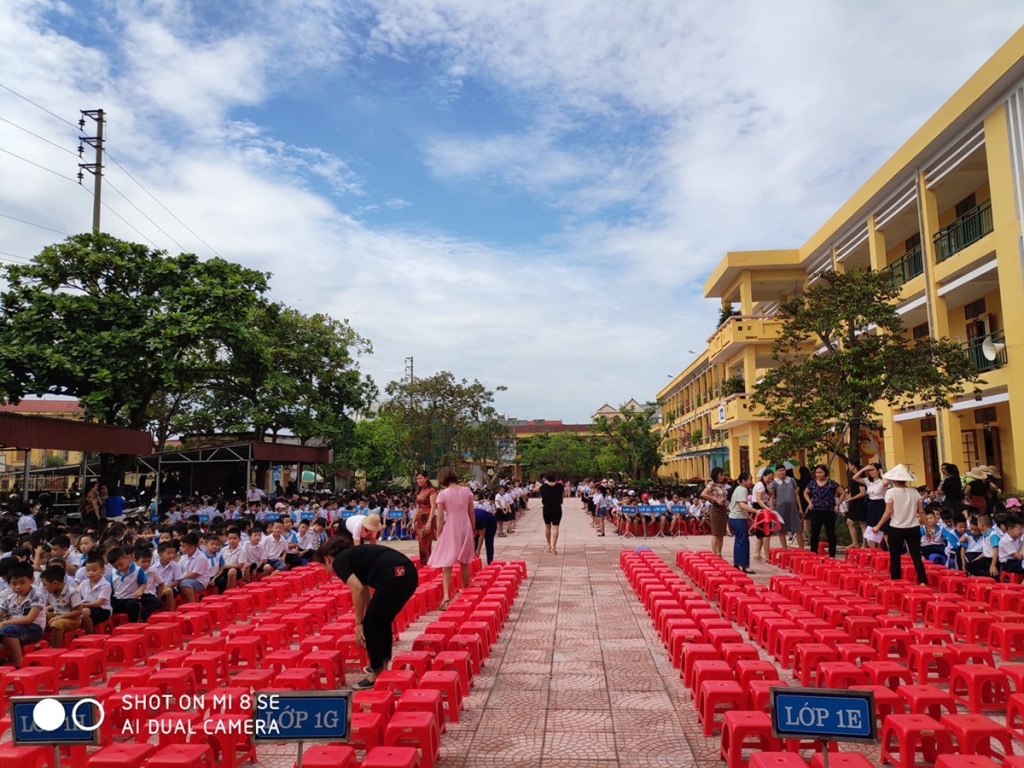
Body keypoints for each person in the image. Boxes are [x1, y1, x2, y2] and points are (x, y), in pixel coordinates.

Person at [320, 535, 418, 689]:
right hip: (408, 573)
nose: (327, 571)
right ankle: (382, 666)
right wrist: (365, 617)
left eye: (324, 566)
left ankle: (376, 673)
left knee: (371, 625)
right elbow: (365, 590)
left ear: (327, 559)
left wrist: (359, 623)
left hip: (395, 577)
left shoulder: (339, 561)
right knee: (380, 621)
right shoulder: (355, 556)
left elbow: (357, 590)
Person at [428, 467, 476, 609]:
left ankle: (446, 597)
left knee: (447, 562)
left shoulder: (442, 494)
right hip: (465, 523)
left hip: (451, 525)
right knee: (465, 560)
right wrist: (472, 527)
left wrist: (439, 534)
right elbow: (471, 512)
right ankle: (465, 591)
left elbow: (440, 517)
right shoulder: (467, 491)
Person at [873, 464, 927, 584]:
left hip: (896, 527)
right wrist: (928, 528)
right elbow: (921, 512)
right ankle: (923, 580)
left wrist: (878, 525)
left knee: (895, 555)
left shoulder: (890, 492)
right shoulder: (915, 492)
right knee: (916, 555)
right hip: (913, 527)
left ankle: (895, 579)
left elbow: (888, 512)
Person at [0, 561, 46, 666]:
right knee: (6, 629)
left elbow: (29, 619)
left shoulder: (36, 595)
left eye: (22, 582)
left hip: (34, 629)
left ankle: (19, 663)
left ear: (32, 580)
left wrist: (5, 623)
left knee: (7, 630)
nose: (18, 587)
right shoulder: (10, 597)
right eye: (14, 584)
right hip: (15, 627)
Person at [803, 465, 845, 558]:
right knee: (815, 532)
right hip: (816, 510)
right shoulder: (812, 483)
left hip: (829, 510)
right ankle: (813, 552)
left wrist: (837, 504)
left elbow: (842, 493)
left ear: (825, 473)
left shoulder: (831, 483)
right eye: (817, 472)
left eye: (821, 472)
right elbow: (805, 493)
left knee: (830, 532)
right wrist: (809, 503)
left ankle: (832, 554)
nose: (819, 474)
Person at [852, 463, 887, 548]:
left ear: (878, 471)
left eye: (873, 470)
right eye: (870, 470)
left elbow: (885, 483)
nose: (871, 472)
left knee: (883, 529)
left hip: (881, 504)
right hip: (871, 504)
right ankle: (873, 550)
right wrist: (864, 469)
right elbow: (854, 477)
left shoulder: (882, 480)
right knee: (871, 528)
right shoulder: (868, 481)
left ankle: (882, 548)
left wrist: (882, 474)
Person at [728, 473, 756, 573]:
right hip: (738, 519)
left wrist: (748, 517)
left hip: (735, 518)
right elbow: (742, 505)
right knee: (743, 542)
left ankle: (737, 563)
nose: (751, 482)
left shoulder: (738, 489)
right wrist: (755, 511)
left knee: (739, 541)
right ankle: (745, 565)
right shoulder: (743, 490)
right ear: (744, 481)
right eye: (749, 480)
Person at [700, 468, 730, 558]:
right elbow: (703, 494)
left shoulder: (722, 485)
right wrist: (715, 499)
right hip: (715, 509)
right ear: (717, 475)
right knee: (716, 532)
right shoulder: (711, 484)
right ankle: (714, 553)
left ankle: (719, 553)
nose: (723, 476)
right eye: (721, 475)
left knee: (721, 533)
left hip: (723, 509)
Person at [772, 465, 802, 550]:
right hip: (780, 509)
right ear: (776, 472)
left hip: (792, 508)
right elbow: (772, 497)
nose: (781, 472)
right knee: (782, 530)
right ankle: (785, 549)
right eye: (779, 471)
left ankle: (801, 549)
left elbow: (796, 495)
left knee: (798, 528)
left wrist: (799, 507)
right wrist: (772, 510)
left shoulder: (791, 480)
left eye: (783, 470)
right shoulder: (774, 483)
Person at [536, 470, 564, 554]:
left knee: (547, 526)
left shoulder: (543, 486)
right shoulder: (560, 486)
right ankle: (553, 546)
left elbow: (535, 489)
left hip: (546, 508)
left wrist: (543, 483)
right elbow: (563, 496)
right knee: (556, 527)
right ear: (556, 477)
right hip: (556, 508)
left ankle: (548, 544)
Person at [751, 469, 774, 563]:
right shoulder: (760, 485)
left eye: (772, 478)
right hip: (760, 508)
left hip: (761, 507)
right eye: (768, 478)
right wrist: (767, 509)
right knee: (766, 533)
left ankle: (757, 554)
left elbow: (770, 496)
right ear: (763, 476)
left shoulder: (765, 485)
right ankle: (767, 555)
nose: (770, 480)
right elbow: (759, 500)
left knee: (760, 534)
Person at [413, 471, 437, 562]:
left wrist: (429, 522)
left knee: (425, 543)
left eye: (420, 478)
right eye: (417, 479)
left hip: (427, 518)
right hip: (419, 520)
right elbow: (417, 507)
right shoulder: (419, 491)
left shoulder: (431, 490)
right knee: (421, 543)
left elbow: (433, 506)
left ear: (426, 478)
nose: (418, 481)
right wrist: (413, 521)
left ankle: (426, 564)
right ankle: (428, 564)